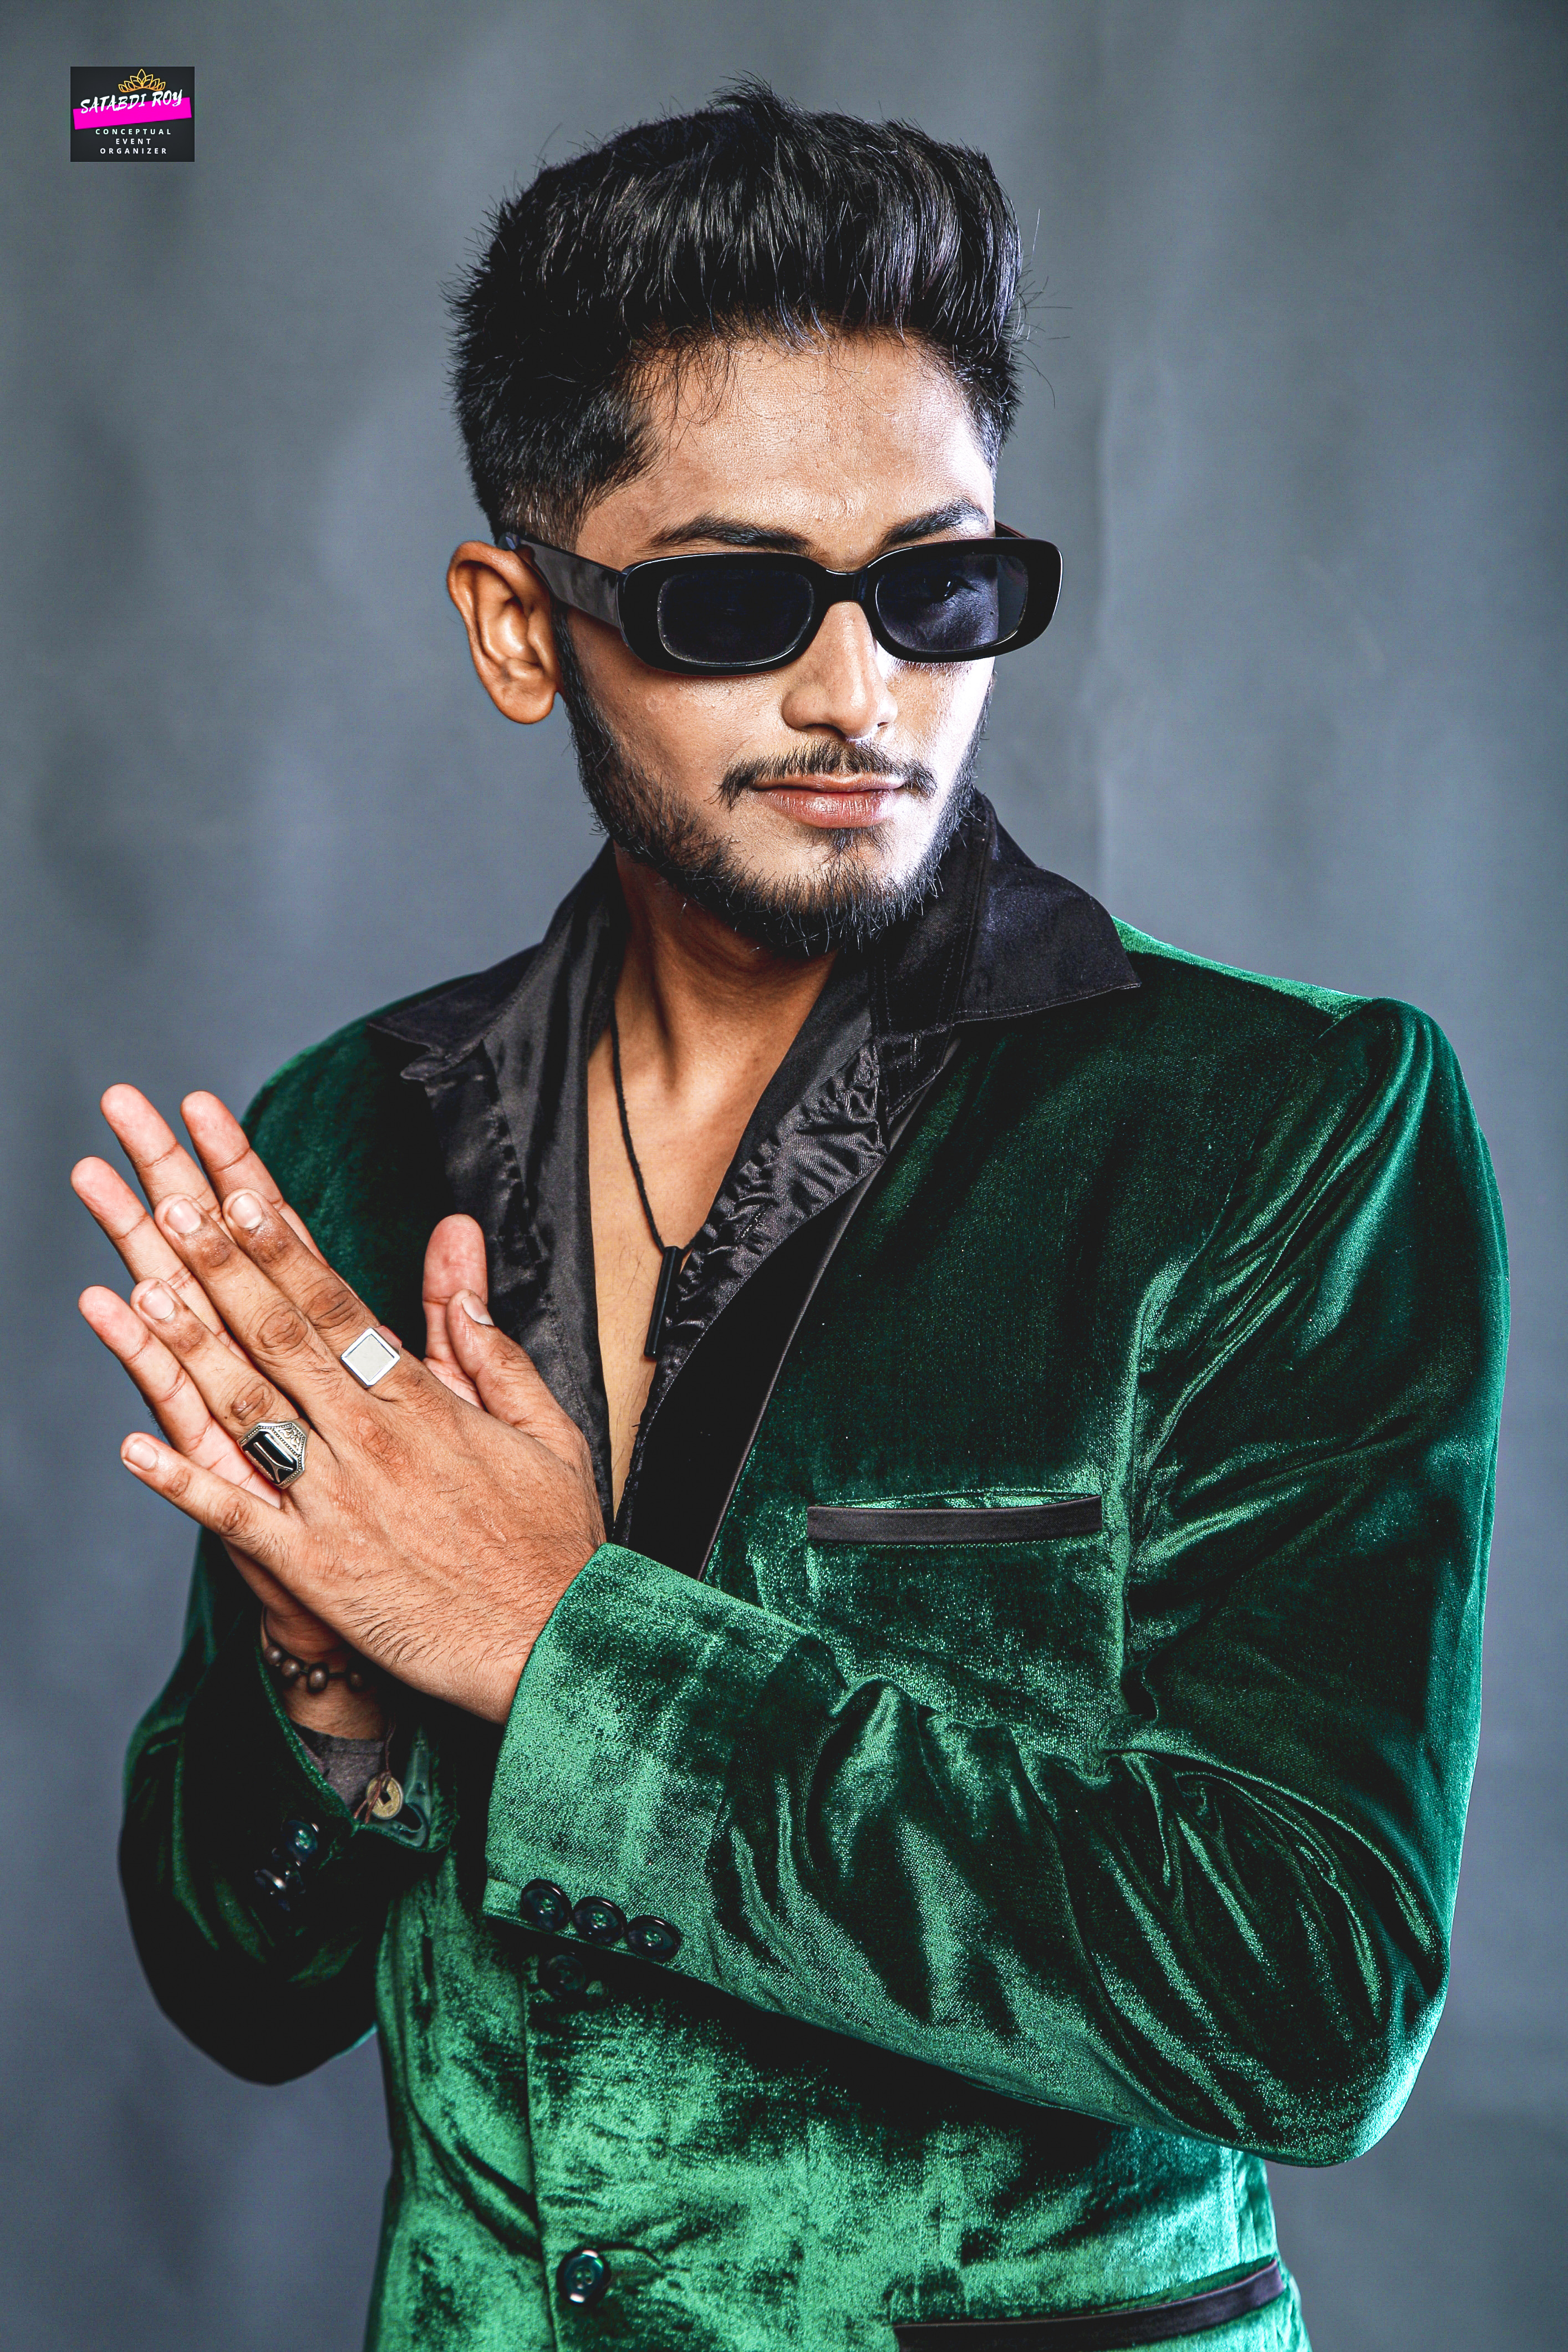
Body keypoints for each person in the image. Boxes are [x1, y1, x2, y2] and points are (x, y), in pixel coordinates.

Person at [73, 84, 1507, 2352]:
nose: (860, 694)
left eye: (938, 589)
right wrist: (333, 1698)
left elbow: (1307, 1991)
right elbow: (236, 1993)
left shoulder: (1276, 1129)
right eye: (735, 602)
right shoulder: (350, 1133)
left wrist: (551, 1641)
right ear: (520, 626)